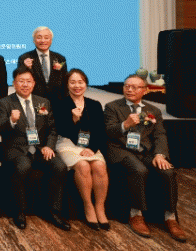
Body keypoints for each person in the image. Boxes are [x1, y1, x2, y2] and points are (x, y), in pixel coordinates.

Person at [103, 74, 187, 242]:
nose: (129, 90)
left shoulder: (153, 110)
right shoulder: (112, 107)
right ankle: (136, 214)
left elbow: (160, 135)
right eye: (127, 86)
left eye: (135, 87)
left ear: (145, 90)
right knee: (139, 170)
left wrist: (160, 155)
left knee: (168, 171)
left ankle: (170, 217)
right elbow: (108, 132)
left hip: (146, 152)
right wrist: (125, 124)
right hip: (121, 150)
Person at [0, 66, 69, 231]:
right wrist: (12, 121)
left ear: (34, 83)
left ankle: (54, 212)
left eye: (28, 81)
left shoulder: (43, 102)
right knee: (23, 166)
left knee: (60, 166)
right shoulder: (4, 102)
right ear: (14, 83)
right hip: (17, 149)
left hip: (41, 149)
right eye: (21, 81)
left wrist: (49, 146)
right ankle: (19, 212)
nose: (25, 84)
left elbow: (52, 129)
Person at [54, 69, 109, 230]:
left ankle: (100, 207)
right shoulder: (60, 104)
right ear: (67, 85)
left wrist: (92, 148)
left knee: (99, 166)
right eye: (72, 82)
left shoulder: (95, 104)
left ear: (86, 84)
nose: (77, 86)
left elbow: (100, 131)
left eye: (80, 82)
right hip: (67, 143)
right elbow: (62, 130)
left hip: (91, 144)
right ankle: (88, 206)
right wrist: (74, 119)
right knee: (83, 165)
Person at [18, 26, 67, 102]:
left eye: (46, 38)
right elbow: (21, 81)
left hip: (57, 101)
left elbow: (65, 83)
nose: (43, 41)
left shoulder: (60, 58)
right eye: (39, 37)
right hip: (34, 101)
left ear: (51, 40)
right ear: (34, 40)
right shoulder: (24, 58)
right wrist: (26, 67)